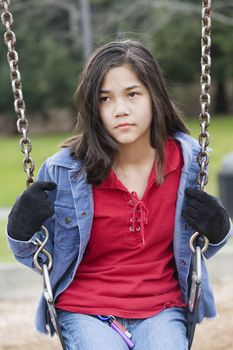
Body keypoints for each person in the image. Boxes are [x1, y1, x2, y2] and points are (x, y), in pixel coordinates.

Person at [7, 40, 232, 350]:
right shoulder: (64, 171)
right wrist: (20, 230)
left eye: (132, 94)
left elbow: (194, 248)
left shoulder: (189, 161)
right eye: (105, 99)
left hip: (161, 307)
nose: (120, 109)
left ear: (154, 96)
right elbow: (38, 255)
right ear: (93, 107)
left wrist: (219, 229)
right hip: (85, 309)